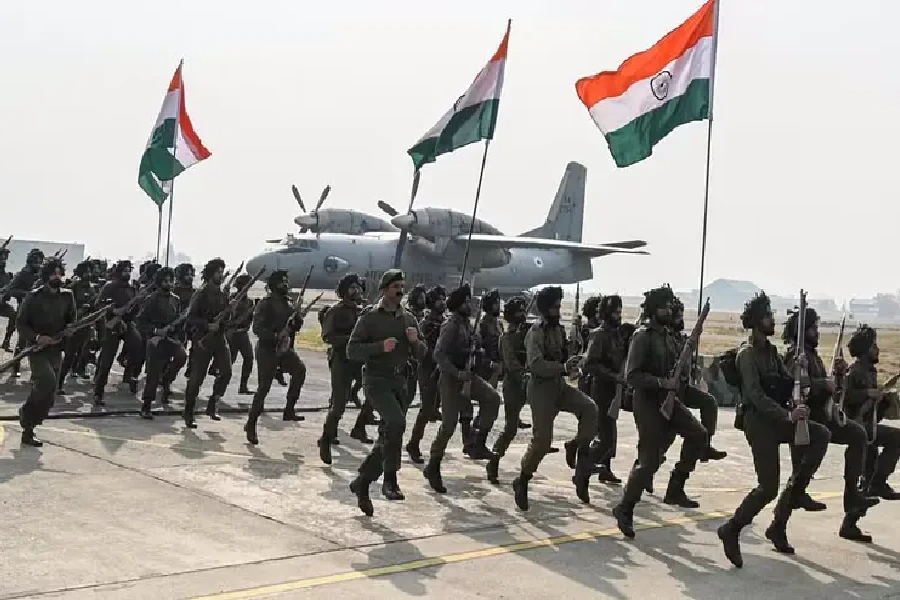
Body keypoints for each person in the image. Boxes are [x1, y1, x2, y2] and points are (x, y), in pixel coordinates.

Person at [717, 291, 831, 568]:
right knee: (767, 487)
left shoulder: (771, 353)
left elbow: (785, 382)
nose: (773, 320)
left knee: (821, 435)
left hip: (778, 420)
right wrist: (788, 415)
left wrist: (800, 371)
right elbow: (755, 396)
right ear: (757, 321)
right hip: (758, 424)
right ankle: (732, 528)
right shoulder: (747, 355)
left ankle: (797, 491)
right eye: (768, 316)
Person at [612, 286, 708, 538]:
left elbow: (676, 366)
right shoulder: (642, 336)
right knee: (649, 461)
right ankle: (625, 508)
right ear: (654, 310)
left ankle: (676, 487)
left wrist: (686, 358)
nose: (669, 311)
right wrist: (662, 383)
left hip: (669, 399)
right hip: (647, 402)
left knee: (698, 434)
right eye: (665, 307)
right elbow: (632, 376)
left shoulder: (667, 336)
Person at [783, 310, 879, 542]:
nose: (817, 332)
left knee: (857, 434)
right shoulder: (796, 356)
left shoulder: (812, 356)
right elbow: (795, 385)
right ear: (803, 332)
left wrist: (837, 376)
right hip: (805, 419)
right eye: (813, 328)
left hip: (822, 416)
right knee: (798, 478)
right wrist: (822, 383)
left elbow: (832, 392)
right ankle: (778, 523)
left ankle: (852, 497)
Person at [347, 269, 425, 515]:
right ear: (384, 289)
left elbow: (423, 354)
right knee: (396, 422)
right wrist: (380, 347)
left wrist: (415, 341)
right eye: (395, 287)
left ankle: (362, 481)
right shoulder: (370, 317)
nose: (400, 291)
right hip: (376, 380)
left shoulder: (409, 319)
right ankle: (390, 480)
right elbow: (352, 350)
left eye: (402, 286)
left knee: (389, 435)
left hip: (400, 382)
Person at [513, 286, 598, 510]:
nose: (558, 311)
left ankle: (575, 446)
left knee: (589, 409)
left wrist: (573, 359)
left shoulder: (558, 330)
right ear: (545, 309)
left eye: (560, 307)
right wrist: (562, 367)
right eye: (555, 307)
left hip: (559, 385)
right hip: (541, 389)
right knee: (542, 442)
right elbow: (536, 364)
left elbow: (563, 357)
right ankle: (522, 479)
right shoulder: (536, 332)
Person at [425, 284, 501, 493]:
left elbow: (476, 349)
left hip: (468, 375)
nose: (469, 305)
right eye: (466, 302)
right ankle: (433, 464)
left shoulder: (469, 325)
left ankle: (478, 442)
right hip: (451, 378)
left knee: (492, 398)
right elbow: (439, 354)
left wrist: (477, 347)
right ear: (458, 305)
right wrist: (456, 373)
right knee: (448, 425)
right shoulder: (450, 326)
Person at [244, 269, 308, 445]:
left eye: (286, 280)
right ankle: (251, 423)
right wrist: (274, 336)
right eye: (282, 281)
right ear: (274, 284)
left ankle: (289, 409)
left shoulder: (288, 303)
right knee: (263, 388)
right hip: (267, 349)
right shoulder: (265, 304)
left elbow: (295, 326)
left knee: (300, 370)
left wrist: (298, 316)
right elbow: (257, 328)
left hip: (284, 349)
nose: (285, 284)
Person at [16, 257, 75, 446]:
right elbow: (21, 323)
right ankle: (27, 420)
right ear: (46, 275)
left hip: (56, 348)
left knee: (50, 394)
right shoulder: (33, 296)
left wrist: (70, 329)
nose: (57, 277)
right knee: (46, 381)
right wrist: (37, 337)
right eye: (53, 273)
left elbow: (71, 319)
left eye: (59, 273)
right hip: (37, 349)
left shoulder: (67, 296)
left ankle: (31, 425)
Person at [844, 325, 900, 501]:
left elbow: (874, 408)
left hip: (869, 426)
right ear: (864, 349)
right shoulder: (855, 371)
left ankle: (871, 484)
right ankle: (877, 482)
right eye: (873, 346)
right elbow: (844, 397)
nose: (877, 349)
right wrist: (867, 393)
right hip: (856, 425)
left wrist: (884, 399)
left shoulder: (869, 371)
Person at [318, 273, 367, 463]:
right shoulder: (336, 311)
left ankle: (359, 427)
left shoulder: (362, 312)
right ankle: (326, 438)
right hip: (341, 359)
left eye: (358, 287)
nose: (356, 291)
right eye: (352, 287)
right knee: (338, 404)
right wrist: (351, 339)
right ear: (344, 290)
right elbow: (327, 337)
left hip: (359, 360)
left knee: (373, 393)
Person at [577, 294, 625, 484]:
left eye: (620, 312)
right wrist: (613, 376)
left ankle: (604, 468)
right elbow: (590, 364)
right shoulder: (598, 334)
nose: (619, 316)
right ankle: (583, 469)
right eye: (615, 313)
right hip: (601, 389)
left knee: (610, 434)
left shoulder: (616, 334)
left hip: (614, 389)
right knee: (605, 436)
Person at [183, 258, 232, 427]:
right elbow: (190, 317)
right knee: (197, 378)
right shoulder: (201, 293)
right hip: (203, 340)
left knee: (226, 372)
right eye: (218, 272)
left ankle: (213, 403)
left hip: (219, 339)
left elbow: (227, 319)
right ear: (211, 274)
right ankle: (188, 412)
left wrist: (229, 313)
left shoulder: (223, 294)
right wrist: (207, 325)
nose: (221, 275)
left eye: (222, 272)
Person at [486, 295, 529, 484]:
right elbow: (511, 365)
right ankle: (494, 460)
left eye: (524, 311)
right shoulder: (507, 338)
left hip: (530, 384)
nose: (523, 315)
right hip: (513, 386)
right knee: (510, 428)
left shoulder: (526, 334)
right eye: (519, 312)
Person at [136, 267, 186, 419]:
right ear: (159, 282)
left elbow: (178, 320)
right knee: (153, 374)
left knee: (182, 357)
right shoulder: (151, 299)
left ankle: (167, 380)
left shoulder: (175, 299)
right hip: (155, 340)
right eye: (165, 281)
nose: (169, 283)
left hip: (171, 339)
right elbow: (140, 321)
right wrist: (156, 331)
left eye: (171, 280)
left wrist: (178, 333)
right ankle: (146, 406)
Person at [405, 285, 446, 464]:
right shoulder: (425, 323)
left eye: (444, 299)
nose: (443, 303)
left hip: (442, 368)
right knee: (426, 408)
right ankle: (413, 443)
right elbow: (420, 348)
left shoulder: (445, 322)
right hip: (427, 368)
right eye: (439, 300)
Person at [92, 260, 142, 403]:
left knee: (138, 346)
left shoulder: (132, 289)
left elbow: (136, 311)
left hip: (127, 323)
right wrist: (114, 311)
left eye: (129, 271)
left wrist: (136, 304)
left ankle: (130, 375)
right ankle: (98, 392)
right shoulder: (109, 287)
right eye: (125, 271)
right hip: (111, 325)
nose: (127, 273)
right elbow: (99, 304)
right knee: (107, 360)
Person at [226, 273, 255, 395]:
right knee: (229, 361)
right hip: (232, 335)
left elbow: (250, 320)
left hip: (243, 334)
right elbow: (226, 317)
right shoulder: (232, 299)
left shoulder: (249, 302)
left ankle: (243, 386)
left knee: (249, 358)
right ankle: (220, 386)